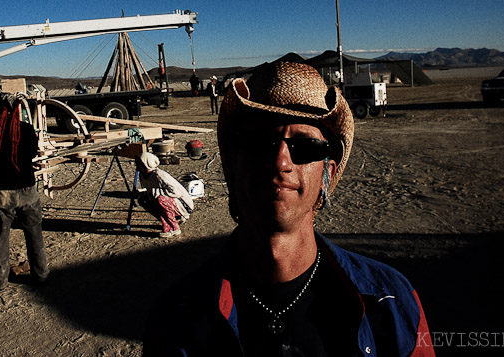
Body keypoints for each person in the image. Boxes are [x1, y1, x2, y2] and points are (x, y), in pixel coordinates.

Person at [144, 61, 434, 356]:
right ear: (232, 167)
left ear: (328, 175)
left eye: (305, 146)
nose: (281, 162)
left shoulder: (391, 302)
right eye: (260, 142)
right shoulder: (173, 318)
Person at [0, 93, 48, 290]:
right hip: (27, 189)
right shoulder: (27, 131)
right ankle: (41, 274)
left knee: (0, 236)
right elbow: (32, 153)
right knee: (34, 233)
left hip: (2, 192)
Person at [135, 152, 193, 238]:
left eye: (139, 164)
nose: (137, 166)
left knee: (161, 200)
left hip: (183, 204)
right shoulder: (144, 176)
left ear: (145, 164)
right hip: (170, 200)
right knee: (143, 199)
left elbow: (176, 192)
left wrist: (157, 193)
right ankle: (169, 222)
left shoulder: (159, 175)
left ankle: (174, 228)